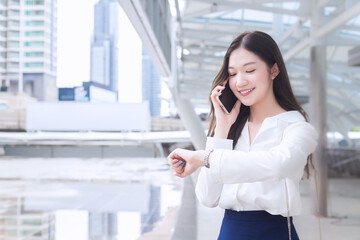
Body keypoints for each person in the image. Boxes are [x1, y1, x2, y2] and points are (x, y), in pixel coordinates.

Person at [168, 31, 318, 240]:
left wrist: (203, 157)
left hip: (274, 233)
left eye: (249, 70)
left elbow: (277, 165)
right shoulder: (231, 130)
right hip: (230, 231)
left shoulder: (297, 127)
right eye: (232, 73)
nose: (240, 82)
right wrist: (222, 128)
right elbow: (207, 197)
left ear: (274, 69)